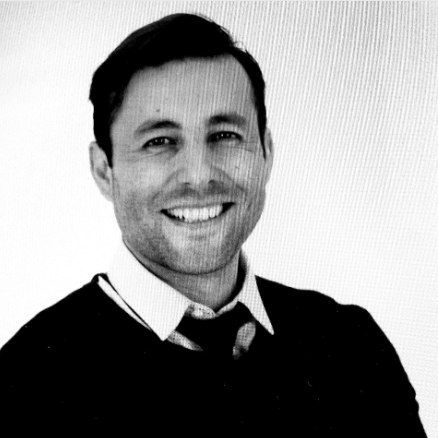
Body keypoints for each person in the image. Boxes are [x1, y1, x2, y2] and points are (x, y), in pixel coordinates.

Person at [0, 13, 427, 437]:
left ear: (266, 154)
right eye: (159, 141)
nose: (199, 176)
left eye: (225, 135)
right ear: (103, 170)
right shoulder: (25, 385)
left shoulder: (351, 347)